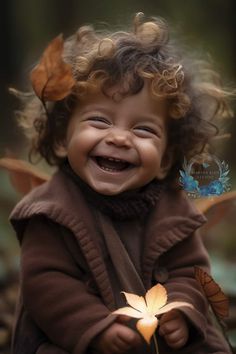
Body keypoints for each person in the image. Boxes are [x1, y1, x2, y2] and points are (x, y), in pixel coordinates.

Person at [9, 12, 233, 354]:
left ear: (166, 160)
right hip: (74, 339)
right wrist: (95, 327)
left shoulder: (174, 210)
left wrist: (181, 309)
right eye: (98, 121)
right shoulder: (51, 211)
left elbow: (191, 271)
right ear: (60, 139)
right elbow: (45, 282)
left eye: (143, 129)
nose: (119, 138)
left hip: (158, 341)